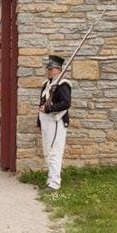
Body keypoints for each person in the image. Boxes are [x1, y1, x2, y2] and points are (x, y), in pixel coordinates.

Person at [38, 55, 72, 192]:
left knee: (54, 152)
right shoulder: (47, 84)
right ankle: (50, 179)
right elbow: (41, 104)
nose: (49, 71)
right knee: (47, 152)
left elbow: (66, 103)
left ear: (58, 69)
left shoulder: (63, 84)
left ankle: (54, 183)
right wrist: (38, 122)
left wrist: (49, 108)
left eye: (51, 69)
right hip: (46, 121)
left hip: (56, 121)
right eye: (49, 69)